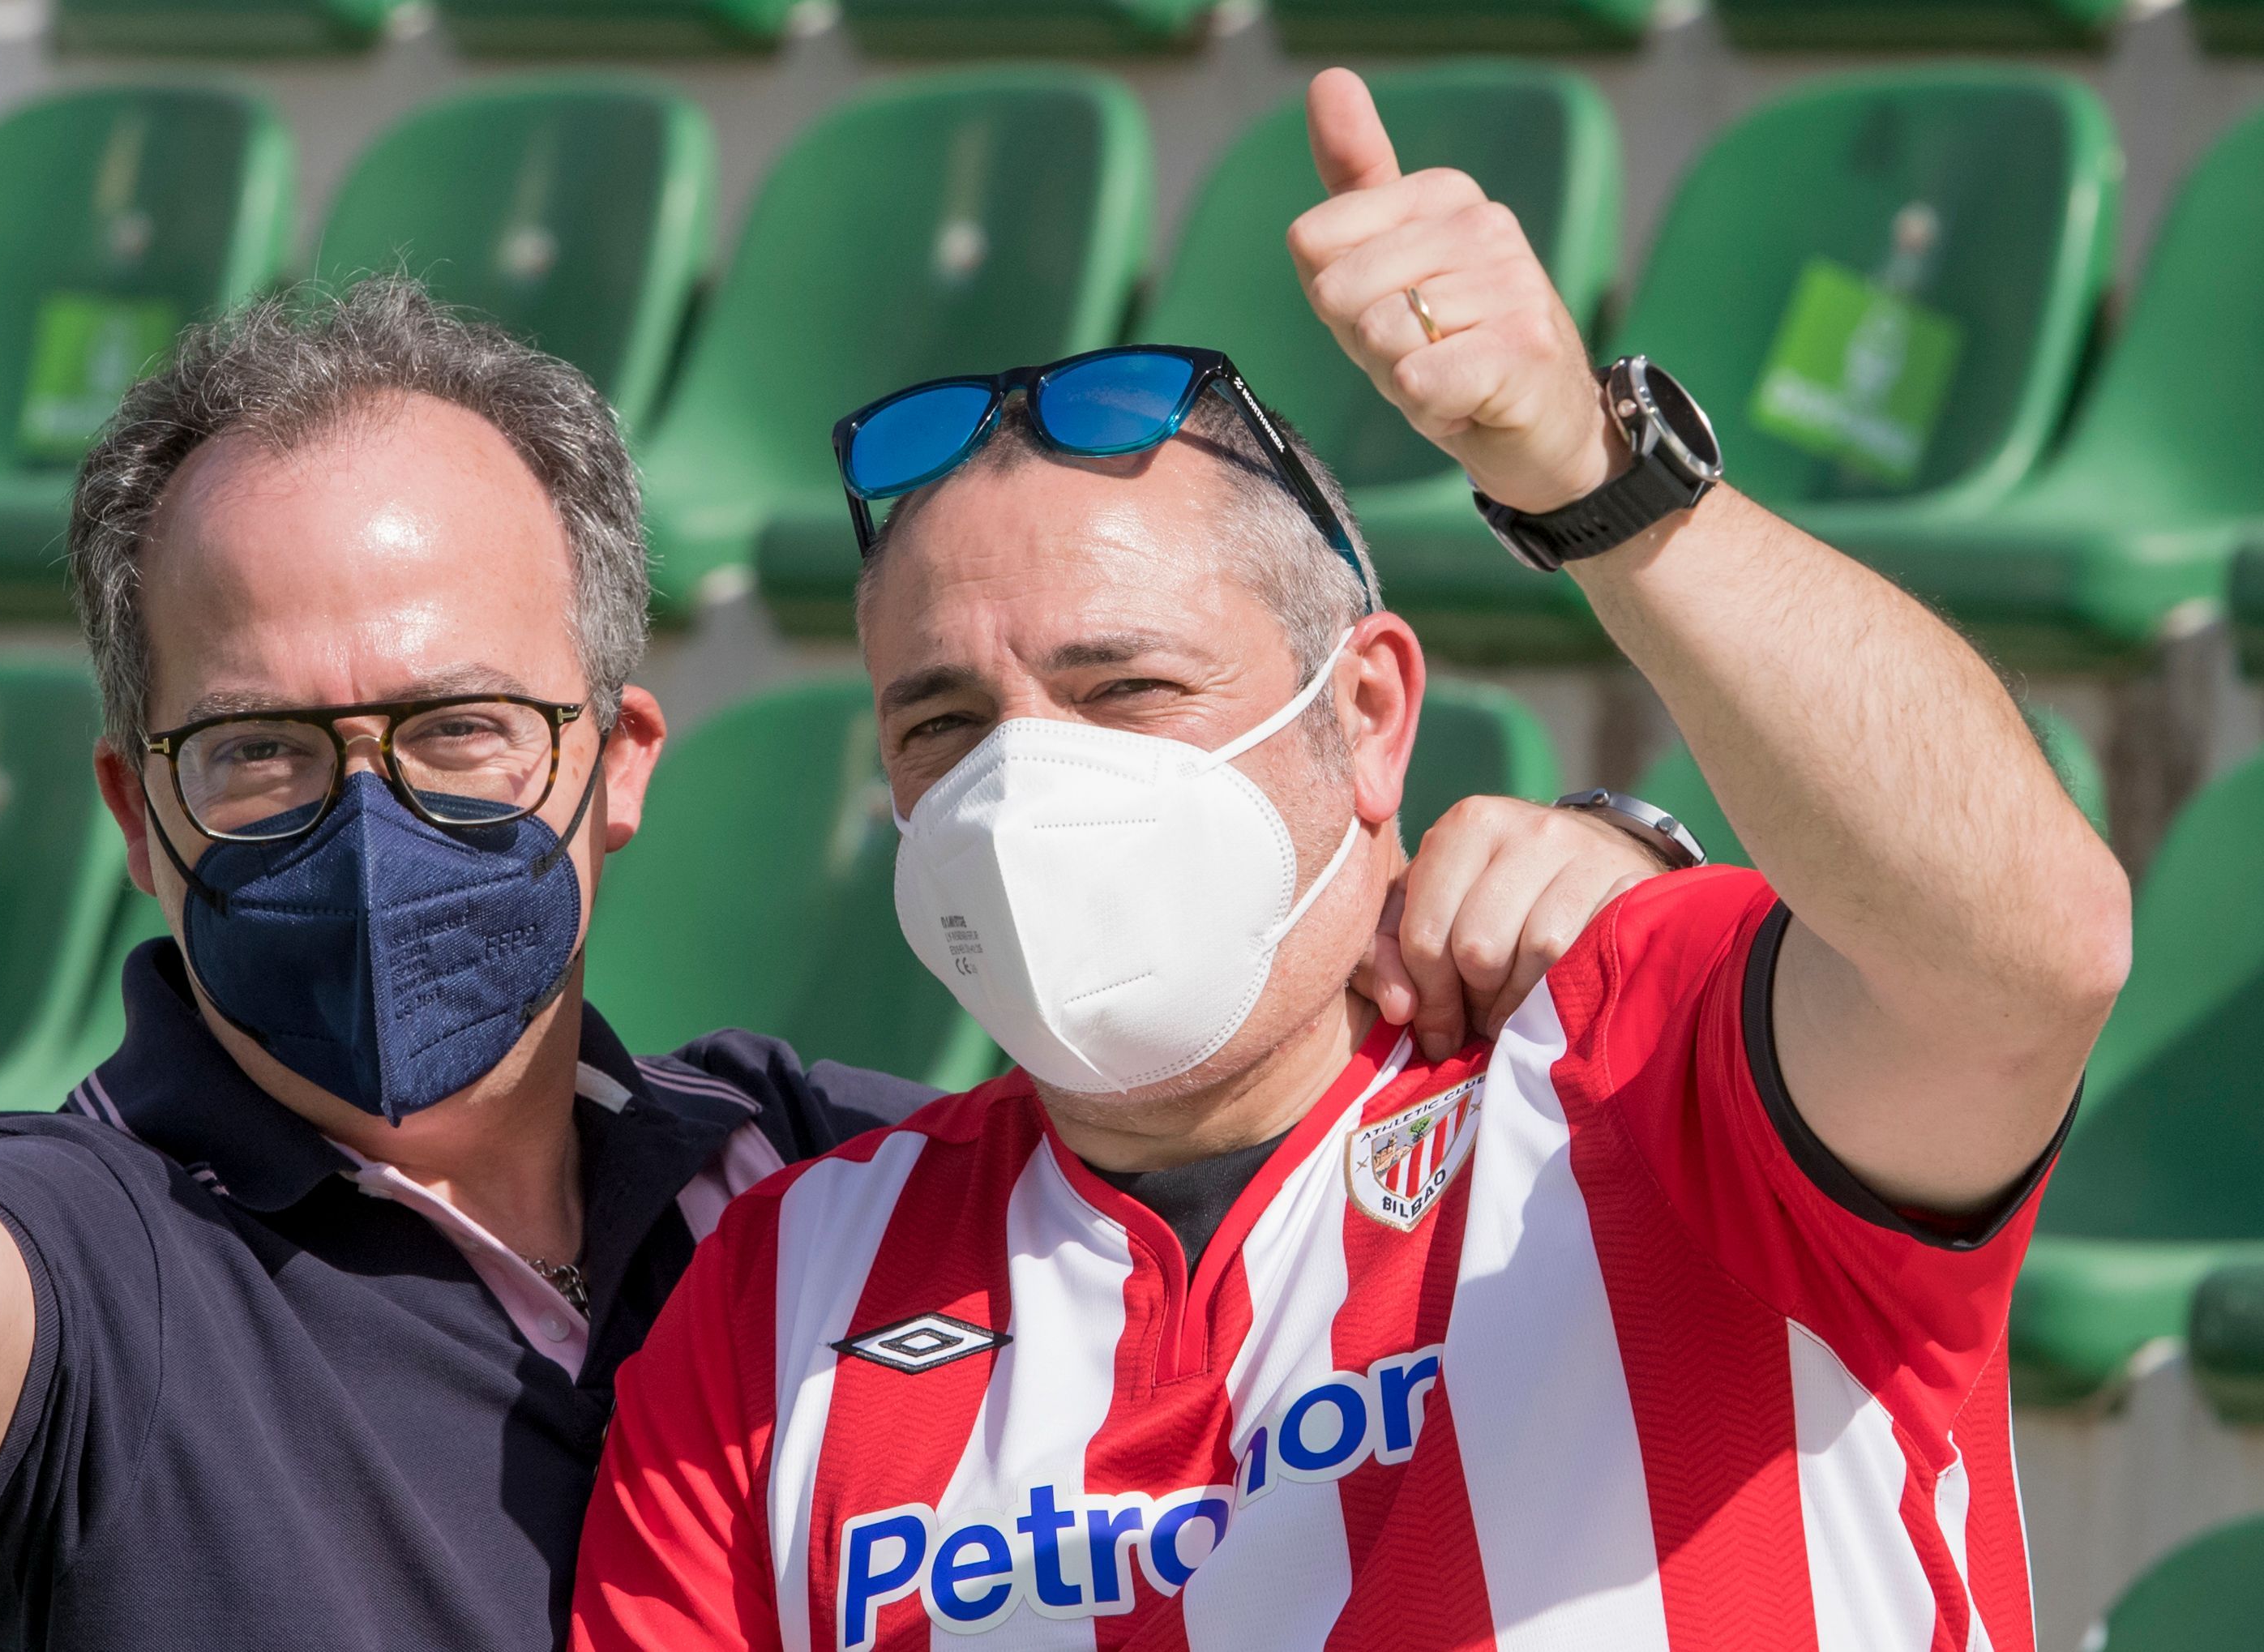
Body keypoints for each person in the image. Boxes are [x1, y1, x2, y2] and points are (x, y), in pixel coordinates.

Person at [0, 276, 1670, 1650]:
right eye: (261, 748)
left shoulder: (804, 1178)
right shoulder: (90, 1264)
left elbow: (1237, 1078)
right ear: (135, 808)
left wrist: (1597, 878)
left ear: (621, 762)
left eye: (463, 727)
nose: (371, 812)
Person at [571, 69, 2131, 1652]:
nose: (1020, 781)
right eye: (944, 722)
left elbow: (2026, 948)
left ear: (1370, 712)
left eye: (1129, 688)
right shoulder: (781, 1295)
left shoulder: (1652, 1059)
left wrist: (1594, 474)